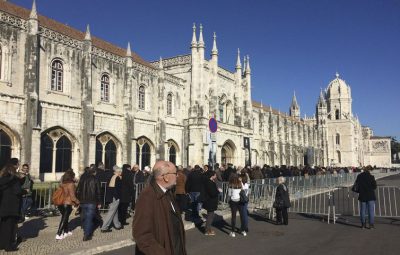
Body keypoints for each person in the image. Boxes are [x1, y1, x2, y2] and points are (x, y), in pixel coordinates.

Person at [132, 160, 187, 255]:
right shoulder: (147, 196)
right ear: (165, 177)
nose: (177, 176)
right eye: (175, 173)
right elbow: (142, 235)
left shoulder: (168, 193)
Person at [0, 164, 25, 251]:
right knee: (10, 227)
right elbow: (18, 191)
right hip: (12, 206)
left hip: (2, 206)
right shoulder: (14, 180)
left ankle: (2, 244)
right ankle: (8, 246)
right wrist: (24, 191)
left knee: (3, 226)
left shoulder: (2, 180)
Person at [76, 167, 101, 241]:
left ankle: (85, 229)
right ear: (94, 172)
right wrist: (99, 202)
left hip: (83, 201)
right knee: (89, 218)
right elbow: (98, 192)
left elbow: (78, 190)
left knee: (84, 216)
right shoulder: (95, 179)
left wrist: (79, 199)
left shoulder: (82, 179)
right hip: (92, 201)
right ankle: (87, 234)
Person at [56, 170, 79, 240]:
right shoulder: (71, 184)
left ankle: (66, 231)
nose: (74, 177)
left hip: (61, 203)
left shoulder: (63, 183)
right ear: (71, 176)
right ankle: (59, 233)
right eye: (73, 176)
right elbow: (72, 196)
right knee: (64, 218)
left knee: (65, 218)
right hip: (67, 203)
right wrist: (78, 202)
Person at [101, 166, 122, 232]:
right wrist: (118, 198)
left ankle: (117, 225)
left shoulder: (112, 176)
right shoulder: (117, 178)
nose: (121, 173)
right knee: (111, 212)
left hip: (110, 196)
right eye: (120, 172)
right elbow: (117, 189)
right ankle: (104, 227)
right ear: (118, 172)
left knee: (115, 211)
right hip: (115, 197)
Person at [202, 170, 220, 236]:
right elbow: (212, 193)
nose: (215, 176)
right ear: (212, 176)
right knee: (210, 216)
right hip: (210, 201)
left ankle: (209, 229)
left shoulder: (209, 181)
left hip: (209, 201)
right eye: (214, 175)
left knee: (211, 215)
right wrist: (218, 191)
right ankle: (207, 230)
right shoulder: (209, 182)